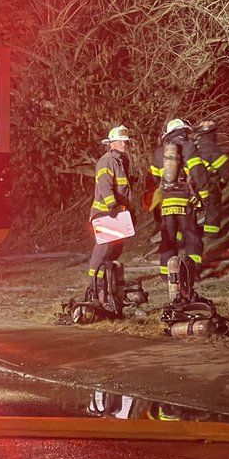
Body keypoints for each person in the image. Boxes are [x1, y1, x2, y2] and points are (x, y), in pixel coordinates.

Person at [149, 118, 212, 301]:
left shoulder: (160, 153)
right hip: (185, 200)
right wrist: (205, 196)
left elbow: (153, 179)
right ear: (183, 131)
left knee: (168, 238)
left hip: (166, 202)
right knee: (191, 235)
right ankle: (193, 273)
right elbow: (199, 174)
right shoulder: (189, 148)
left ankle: (165, 275)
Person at [87, 125, 134, 317]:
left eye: (126, 141)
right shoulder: (106, 161)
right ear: (111, 143)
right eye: (121, 141)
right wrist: (112, 205)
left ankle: (110, 293)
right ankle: (95, 290)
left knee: (115, 252)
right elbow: (105, 186)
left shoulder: (122, 162)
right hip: (106, 214)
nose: (124, 144)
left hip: (117, 215)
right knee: (103, 251)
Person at [194, 119, 229, 241]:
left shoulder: (194, 147)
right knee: (213, 207)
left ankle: (188, 235)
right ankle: (211, 235)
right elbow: (225, 170)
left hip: (192, 184)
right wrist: (221, 183)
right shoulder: (213, 149)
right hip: (209, 184)